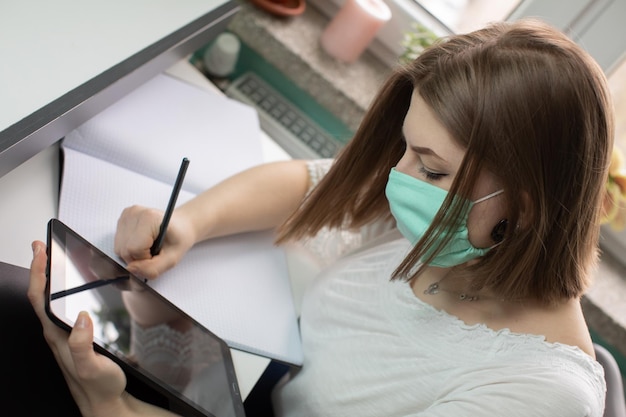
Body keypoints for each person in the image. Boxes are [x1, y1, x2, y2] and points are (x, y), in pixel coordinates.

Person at [28, 17, 613, 416]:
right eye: (406, 149)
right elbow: (313, 186)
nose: (398, 179)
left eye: (432, 170)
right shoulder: (457, 229)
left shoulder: (539, 397)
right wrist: (191, 223)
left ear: (528, 208)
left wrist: (113, 406)